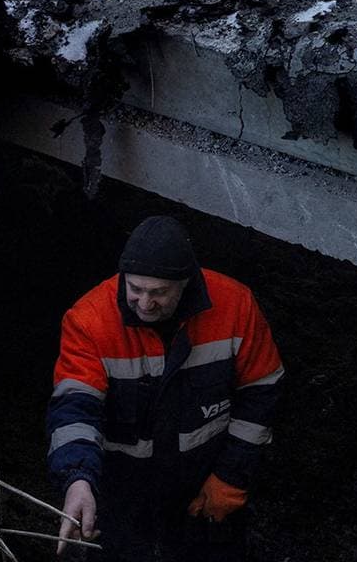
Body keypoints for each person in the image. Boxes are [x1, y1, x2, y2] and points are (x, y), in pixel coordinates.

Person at [47, 217, 283, 560]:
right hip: (123, 486)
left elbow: (262, 392)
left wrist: (230, 478)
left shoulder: (235, 306)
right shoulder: (89, 320)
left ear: (185, 284)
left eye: (159, 293)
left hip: (204, 480)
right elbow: (74, 409)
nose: (144, 304)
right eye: (136, 290)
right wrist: (78, 479)